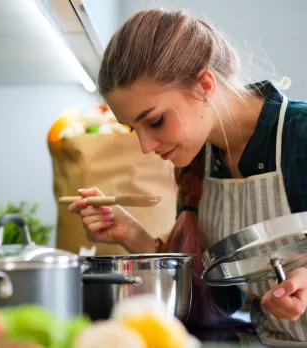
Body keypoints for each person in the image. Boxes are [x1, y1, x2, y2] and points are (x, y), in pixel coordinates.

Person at [67, 8, 307, 345]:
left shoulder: (300, 132)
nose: (146, 146)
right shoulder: (199, 158)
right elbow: (215, 295)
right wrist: (132, 235)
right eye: (133, 129)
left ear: (205, 85)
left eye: (155, 121)